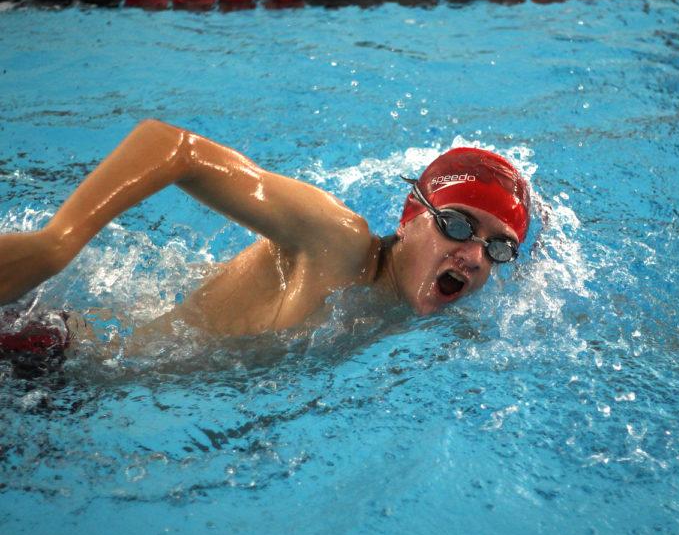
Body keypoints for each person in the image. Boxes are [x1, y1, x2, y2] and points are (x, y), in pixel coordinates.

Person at [0, 119, 531, 365]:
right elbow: (172, 146)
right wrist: (56, 245)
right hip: (44, 354)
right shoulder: (337, 241)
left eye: (499, 247)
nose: (473, 255)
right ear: (412, 216)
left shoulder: (436, 314)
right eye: (457, 225)